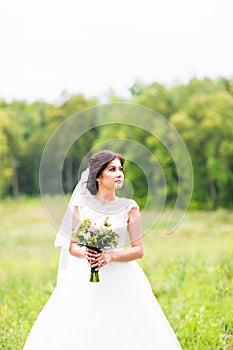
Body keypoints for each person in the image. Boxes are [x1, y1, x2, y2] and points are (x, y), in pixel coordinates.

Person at [24, 150, 182, 349]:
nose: (119, 174)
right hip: (83, 274)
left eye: (121, 169)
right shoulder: (80, 206)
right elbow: (73, 246)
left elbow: (138, 250)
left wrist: (110, 256)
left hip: (122, 276)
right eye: (112, 169)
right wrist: (87, 253)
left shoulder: (129, 207)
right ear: (98, 176)